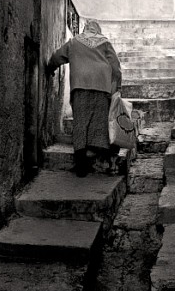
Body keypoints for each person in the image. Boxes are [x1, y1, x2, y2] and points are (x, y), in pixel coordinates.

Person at [46, 20, 122, 177]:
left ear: (85, 29)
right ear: (97, 30)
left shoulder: (74, 41)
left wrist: (50, 68)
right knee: (98, 120)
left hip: (80, 84)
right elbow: (116, 67)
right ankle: (99, 153)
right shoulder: (105, 42)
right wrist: (117, 87)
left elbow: (58, 56)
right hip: (101, 86)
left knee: (80, 121)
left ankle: (81, 164)